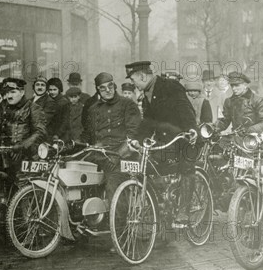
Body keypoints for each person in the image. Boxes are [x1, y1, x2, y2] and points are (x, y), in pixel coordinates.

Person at [127, 60, 198, 227]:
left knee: (186, 168)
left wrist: (191, 130)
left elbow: (186, 109)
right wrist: (137, 139)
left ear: (142, 76)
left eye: (133, 80)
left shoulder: (170, 86)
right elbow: (147, 123)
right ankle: (161, 210)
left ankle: (183, 212)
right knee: (149, 168)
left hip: (183, 137)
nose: (133, 85)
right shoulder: (146, 97)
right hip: (163, 141)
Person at [83, 72, 141, 198]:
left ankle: (118, 218)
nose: (108, 90)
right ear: (98, 90)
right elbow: (88, 135)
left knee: (112, 187)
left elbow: (133, 134)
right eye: (102, 88)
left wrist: (118, 155)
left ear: (114, 86)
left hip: (123, 158)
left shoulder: (127, 104)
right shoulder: (93, 109)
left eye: (110, 86)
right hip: (100, 156)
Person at [0, 77, 47, 169]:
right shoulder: (3, 106)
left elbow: (40, 132)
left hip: (24, 157)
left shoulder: (34, 108)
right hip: (2, 155)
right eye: (7, 92)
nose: (9, 96)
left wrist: (22, 145)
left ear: (22, 92)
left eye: (13, 92)